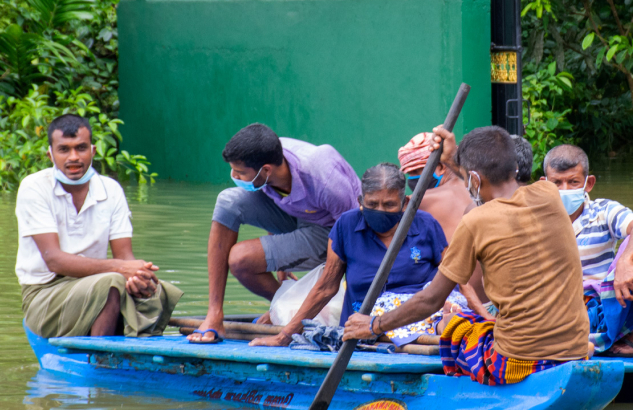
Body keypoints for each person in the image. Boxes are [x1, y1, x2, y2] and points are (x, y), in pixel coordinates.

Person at [342, 126, 590, 385]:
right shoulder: (549, 195)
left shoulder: (475, 220)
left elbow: (430, 300)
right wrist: (452, 160)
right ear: (513, 167)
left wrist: (374, 325)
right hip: (576, 349)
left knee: (456, 327)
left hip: (515, 360)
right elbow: (484, 177)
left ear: (474, 179)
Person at [249, 163, 457, 347]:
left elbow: (454, 276)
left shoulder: (426, 224)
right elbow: (326, 287)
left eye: (389, 205)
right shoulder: (346, 226)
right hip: (363, 331)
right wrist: (284, 336)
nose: (380, 210)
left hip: (422, 319)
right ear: (360, 201)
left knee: (453, 322)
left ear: (405, 203)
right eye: (372, 204)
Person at [188, 124, 361, 344]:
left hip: (333, 229)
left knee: (241, 259)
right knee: (228, 201)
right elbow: (271, 196)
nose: (234, 176)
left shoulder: (324, 180)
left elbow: (355, 239)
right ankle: (216, 315)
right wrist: (281, 261)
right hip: (296, 215)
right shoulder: (266, 157)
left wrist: (287, 333)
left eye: (240, 173)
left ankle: (291, 310)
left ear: (267, 169)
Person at [17, 114, 182, 338]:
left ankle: (133, 352)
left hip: (96, 281)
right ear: (51, 154)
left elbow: (125, 257)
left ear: (93, 151)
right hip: (44, 294)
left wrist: (136, 278)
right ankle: (100, 358)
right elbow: (53, 259)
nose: (73, 157)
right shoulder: (34, 187)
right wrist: (121, 270)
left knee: (156, 289)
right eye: (64, 149)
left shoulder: (111, 189)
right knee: (111, 283)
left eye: (81, 148)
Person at [542, 144, 633, 357]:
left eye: (573, 182)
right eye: (557, 183)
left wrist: (625, 261)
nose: (565, 190)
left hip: (605, 310)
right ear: (544, 184)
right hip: (555, 316)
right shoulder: (534, 221)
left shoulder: (603, 211)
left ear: (589, 183)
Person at [397, 132, 472, 242]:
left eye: (417, 171)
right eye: (410, 173)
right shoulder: (476, 189)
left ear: (441, 167)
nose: (413, 178)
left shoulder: (421, 201)